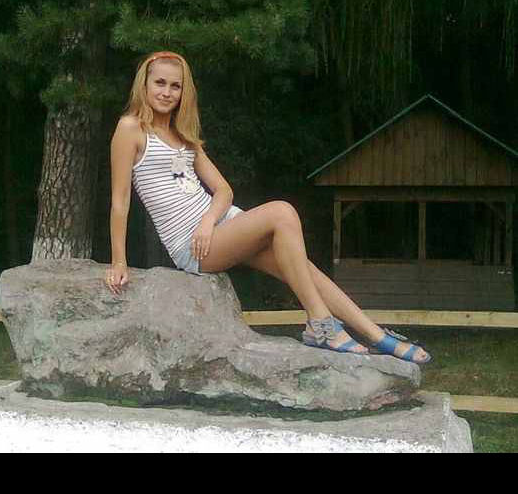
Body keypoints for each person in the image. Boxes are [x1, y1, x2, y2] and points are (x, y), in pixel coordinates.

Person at [105, 50, 431, 365]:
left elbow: (223, 191)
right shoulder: (130, 129)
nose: (166, 92)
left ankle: (376, 335)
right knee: (282, 212)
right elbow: (120, 200)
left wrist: (208, 220)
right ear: (144, 85)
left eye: (175, 86)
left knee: (303, 269)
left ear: (184, 92)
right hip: (193, 245)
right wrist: (119, 261)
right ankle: (320, 323)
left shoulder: (183, 134)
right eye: (160, 83)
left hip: (221, 225)